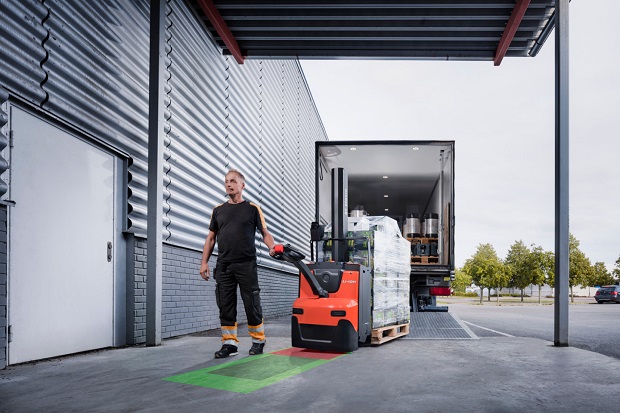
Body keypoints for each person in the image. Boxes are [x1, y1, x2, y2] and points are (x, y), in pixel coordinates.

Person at [199, 169, 277, 358]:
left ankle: (258, 340)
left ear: (242, 185)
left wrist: (272, 247)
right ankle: (229, 344)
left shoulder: (252, 208)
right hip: (224, 265)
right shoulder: (218, 210)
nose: (228, 184)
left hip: (246, 264)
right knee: (225, 304)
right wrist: (204, 263)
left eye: (233, 181)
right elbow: (211, 238)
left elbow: (265, 232)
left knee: (252, 303)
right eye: (226, 181)